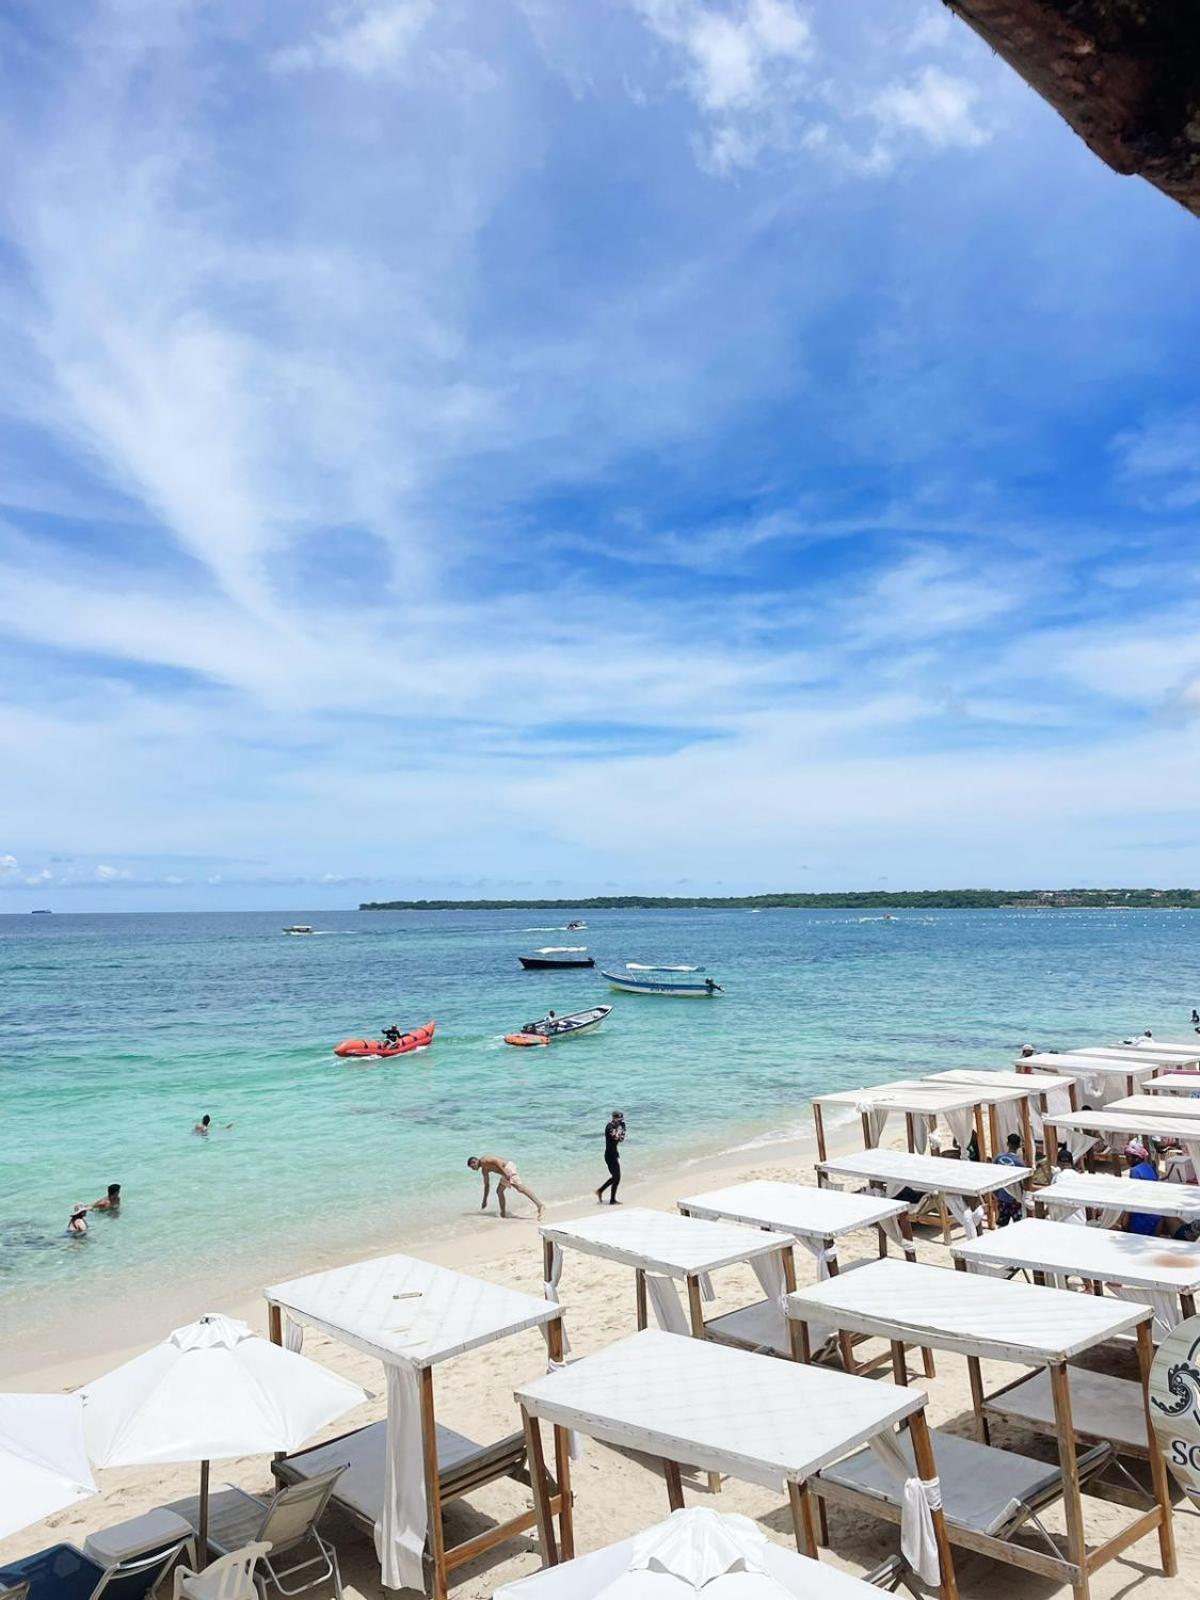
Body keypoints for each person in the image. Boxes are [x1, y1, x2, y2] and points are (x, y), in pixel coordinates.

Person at [467, 1154, 544, 1219]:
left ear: (474, 1162)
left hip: (507, 1168)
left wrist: (505, 1172)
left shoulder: (483, 1160)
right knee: (499, 1191)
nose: (472, 1169)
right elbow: (487, 1185)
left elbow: (496, 1161)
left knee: (520, 1188)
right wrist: (484, 1200)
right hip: (505, 1171)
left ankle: (540, 1205)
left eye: (472, 1166)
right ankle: (503, 1214)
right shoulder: (484, 1170)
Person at [1124, 1140, 1161, 1236]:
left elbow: (1134, 1196)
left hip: (1143, 1216)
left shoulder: (1135, 1171)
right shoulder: (1149, 1167)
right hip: (1155, 1215)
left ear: (1137, 1158)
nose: (1126, 1160)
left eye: (1128, 1157)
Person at [992, 1133, 1026, 1226]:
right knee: (1018, 1225)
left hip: (1002, 1197)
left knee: (1002, 1225)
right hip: (1015, 1199)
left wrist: (995, 1193)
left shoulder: (998, 1158)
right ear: (1019, 1146)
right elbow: (1023, 1183)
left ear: (1007, 1144)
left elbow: (992, 1175)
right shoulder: (1019, 1162)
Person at [597, 1110, 626, 1205]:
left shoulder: (620, 1126)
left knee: (616, 1177)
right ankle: (610, 1199)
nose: (620, 1121)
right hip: (609, 1155)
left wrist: (621, 1129)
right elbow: (616, 1137)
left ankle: (601, 1191)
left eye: (621, 1119)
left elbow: (621, 1139)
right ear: (613, 1118)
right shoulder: (609, 1127)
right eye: (618, 1119)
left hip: (614, 1154)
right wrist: (620, 1129)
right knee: (617, 1177)